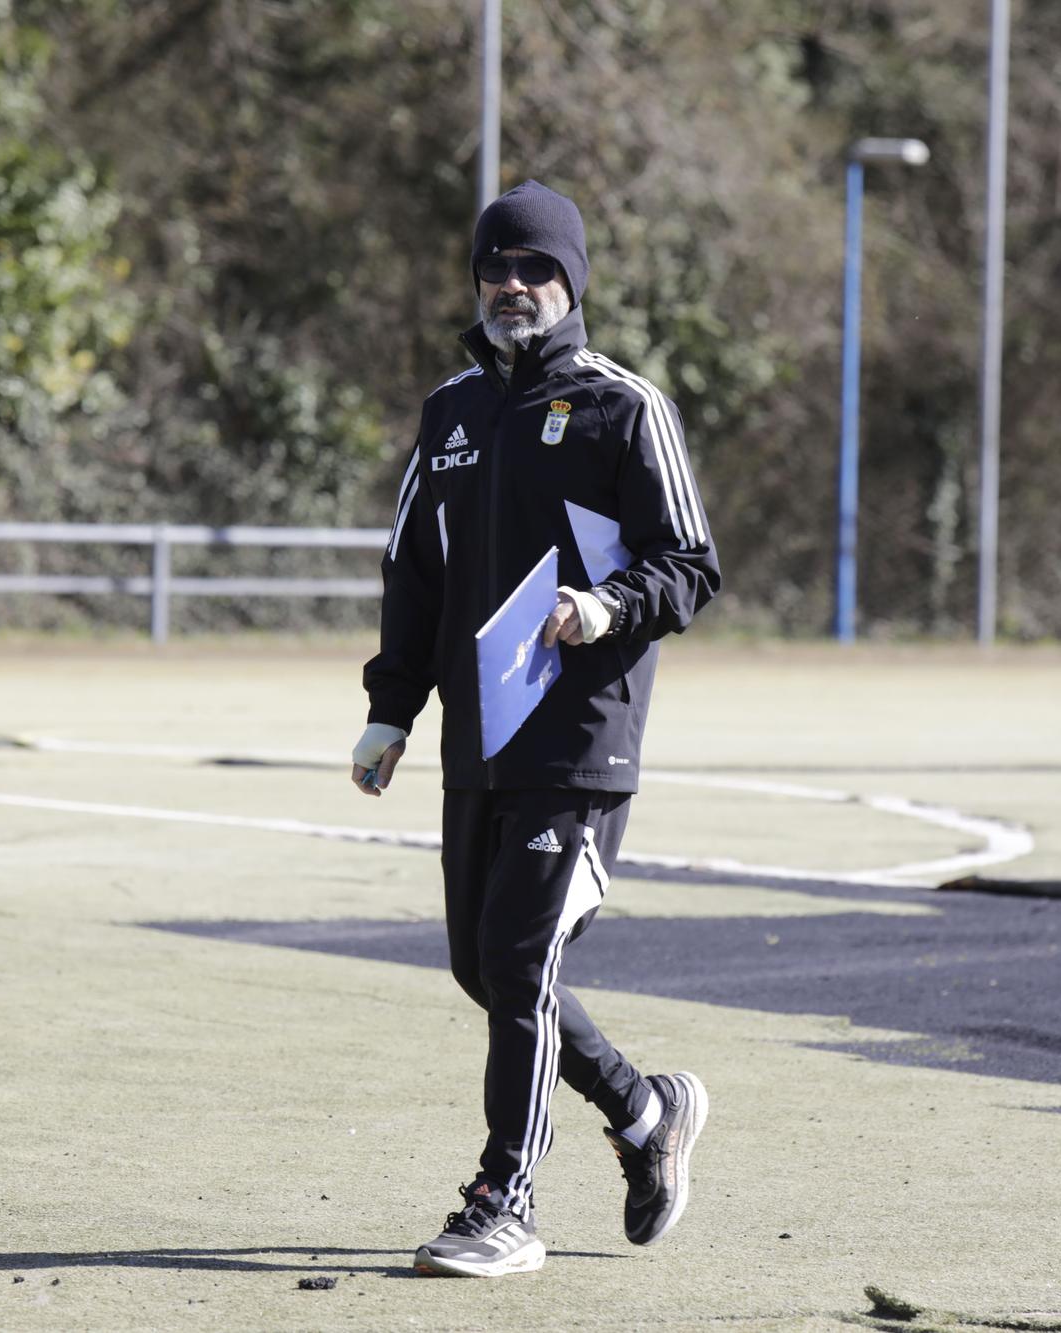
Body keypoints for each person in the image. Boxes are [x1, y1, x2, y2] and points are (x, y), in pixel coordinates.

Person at [349, 179, 721, 1278]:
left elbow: (690, 565)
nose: (511, 286)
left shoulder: (622, 407)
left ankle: (499, 1205)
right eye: (495, 269)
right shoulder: (451, 414)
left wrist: (604, 607)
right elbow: (415, 572)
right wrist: (388, 709)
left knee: (519, 960)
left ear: (571, 283)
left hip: (581, 742)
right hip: (480, 741)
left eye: (534, 269)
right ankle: (645, 1112)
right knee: (485, 967)